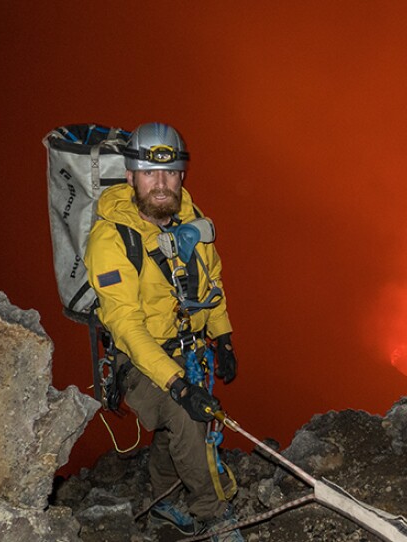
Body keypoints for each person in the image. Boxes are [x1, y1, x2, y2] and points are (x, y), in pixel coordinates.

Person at [84, 122, 243, 541]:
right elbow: (126, 326)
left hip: (186, 346)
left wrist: (222, 335)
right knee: (186, 416)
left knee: (180, 419)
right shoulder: (111, 238)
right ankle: (213, 516)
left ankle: (163, 503)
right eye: (150, 173)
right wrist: (179, 386)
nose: (161, 184)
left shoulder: (191, 221)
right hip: (136, 356)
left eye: (170, 173)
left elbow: (213, 282)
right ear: (131, 175)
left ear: (181, 176)